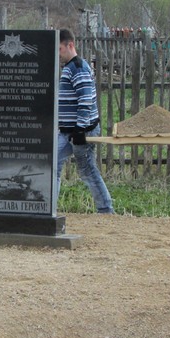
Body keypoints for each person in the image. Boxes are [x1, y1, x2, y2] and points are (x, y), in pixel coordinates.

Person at [56, 29, 114, 214]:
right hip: (67, 131)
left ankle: (106, 209)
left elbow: (85, 99)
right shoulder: (69, 67)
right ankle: (48, 209)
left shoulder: (78, 68)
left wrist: (80, 130)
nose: (57, 54)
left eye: (59, 49)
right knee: (52, 163)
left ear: (70, 45)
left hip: (81, 131)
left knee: (87, 169)